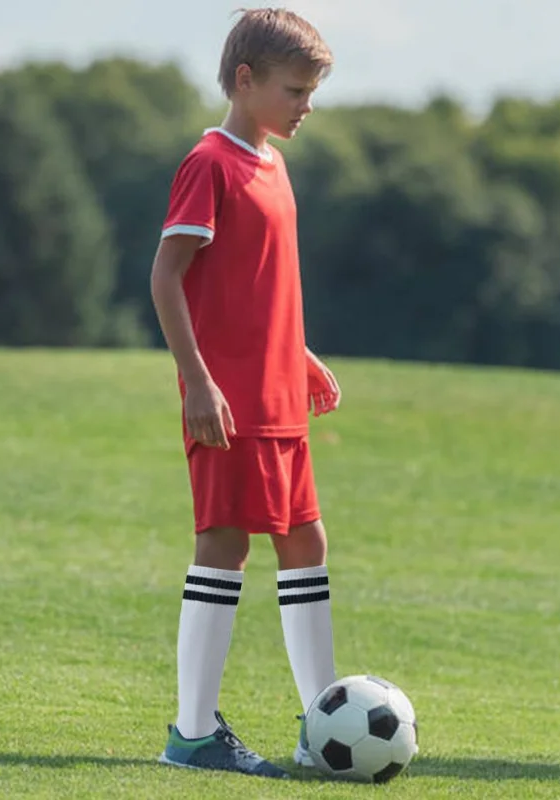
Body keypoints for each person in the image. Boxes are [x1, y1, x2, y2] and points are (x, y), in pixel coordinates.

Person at [150, 7, 340, 780]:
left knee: (305, 542)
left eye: (312, 92)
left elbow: (256, 285)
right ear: (244, 80)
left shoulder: (273, 163)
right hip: (227, 402)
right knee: (223, 546)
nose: (306, 106)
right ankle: (192, 734)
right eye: (295, 90)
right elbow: (168, 277)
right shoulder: (211, 163)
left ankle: (324, 723)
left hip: (277, 399)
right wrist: (198, 382)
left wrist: (298, 352)